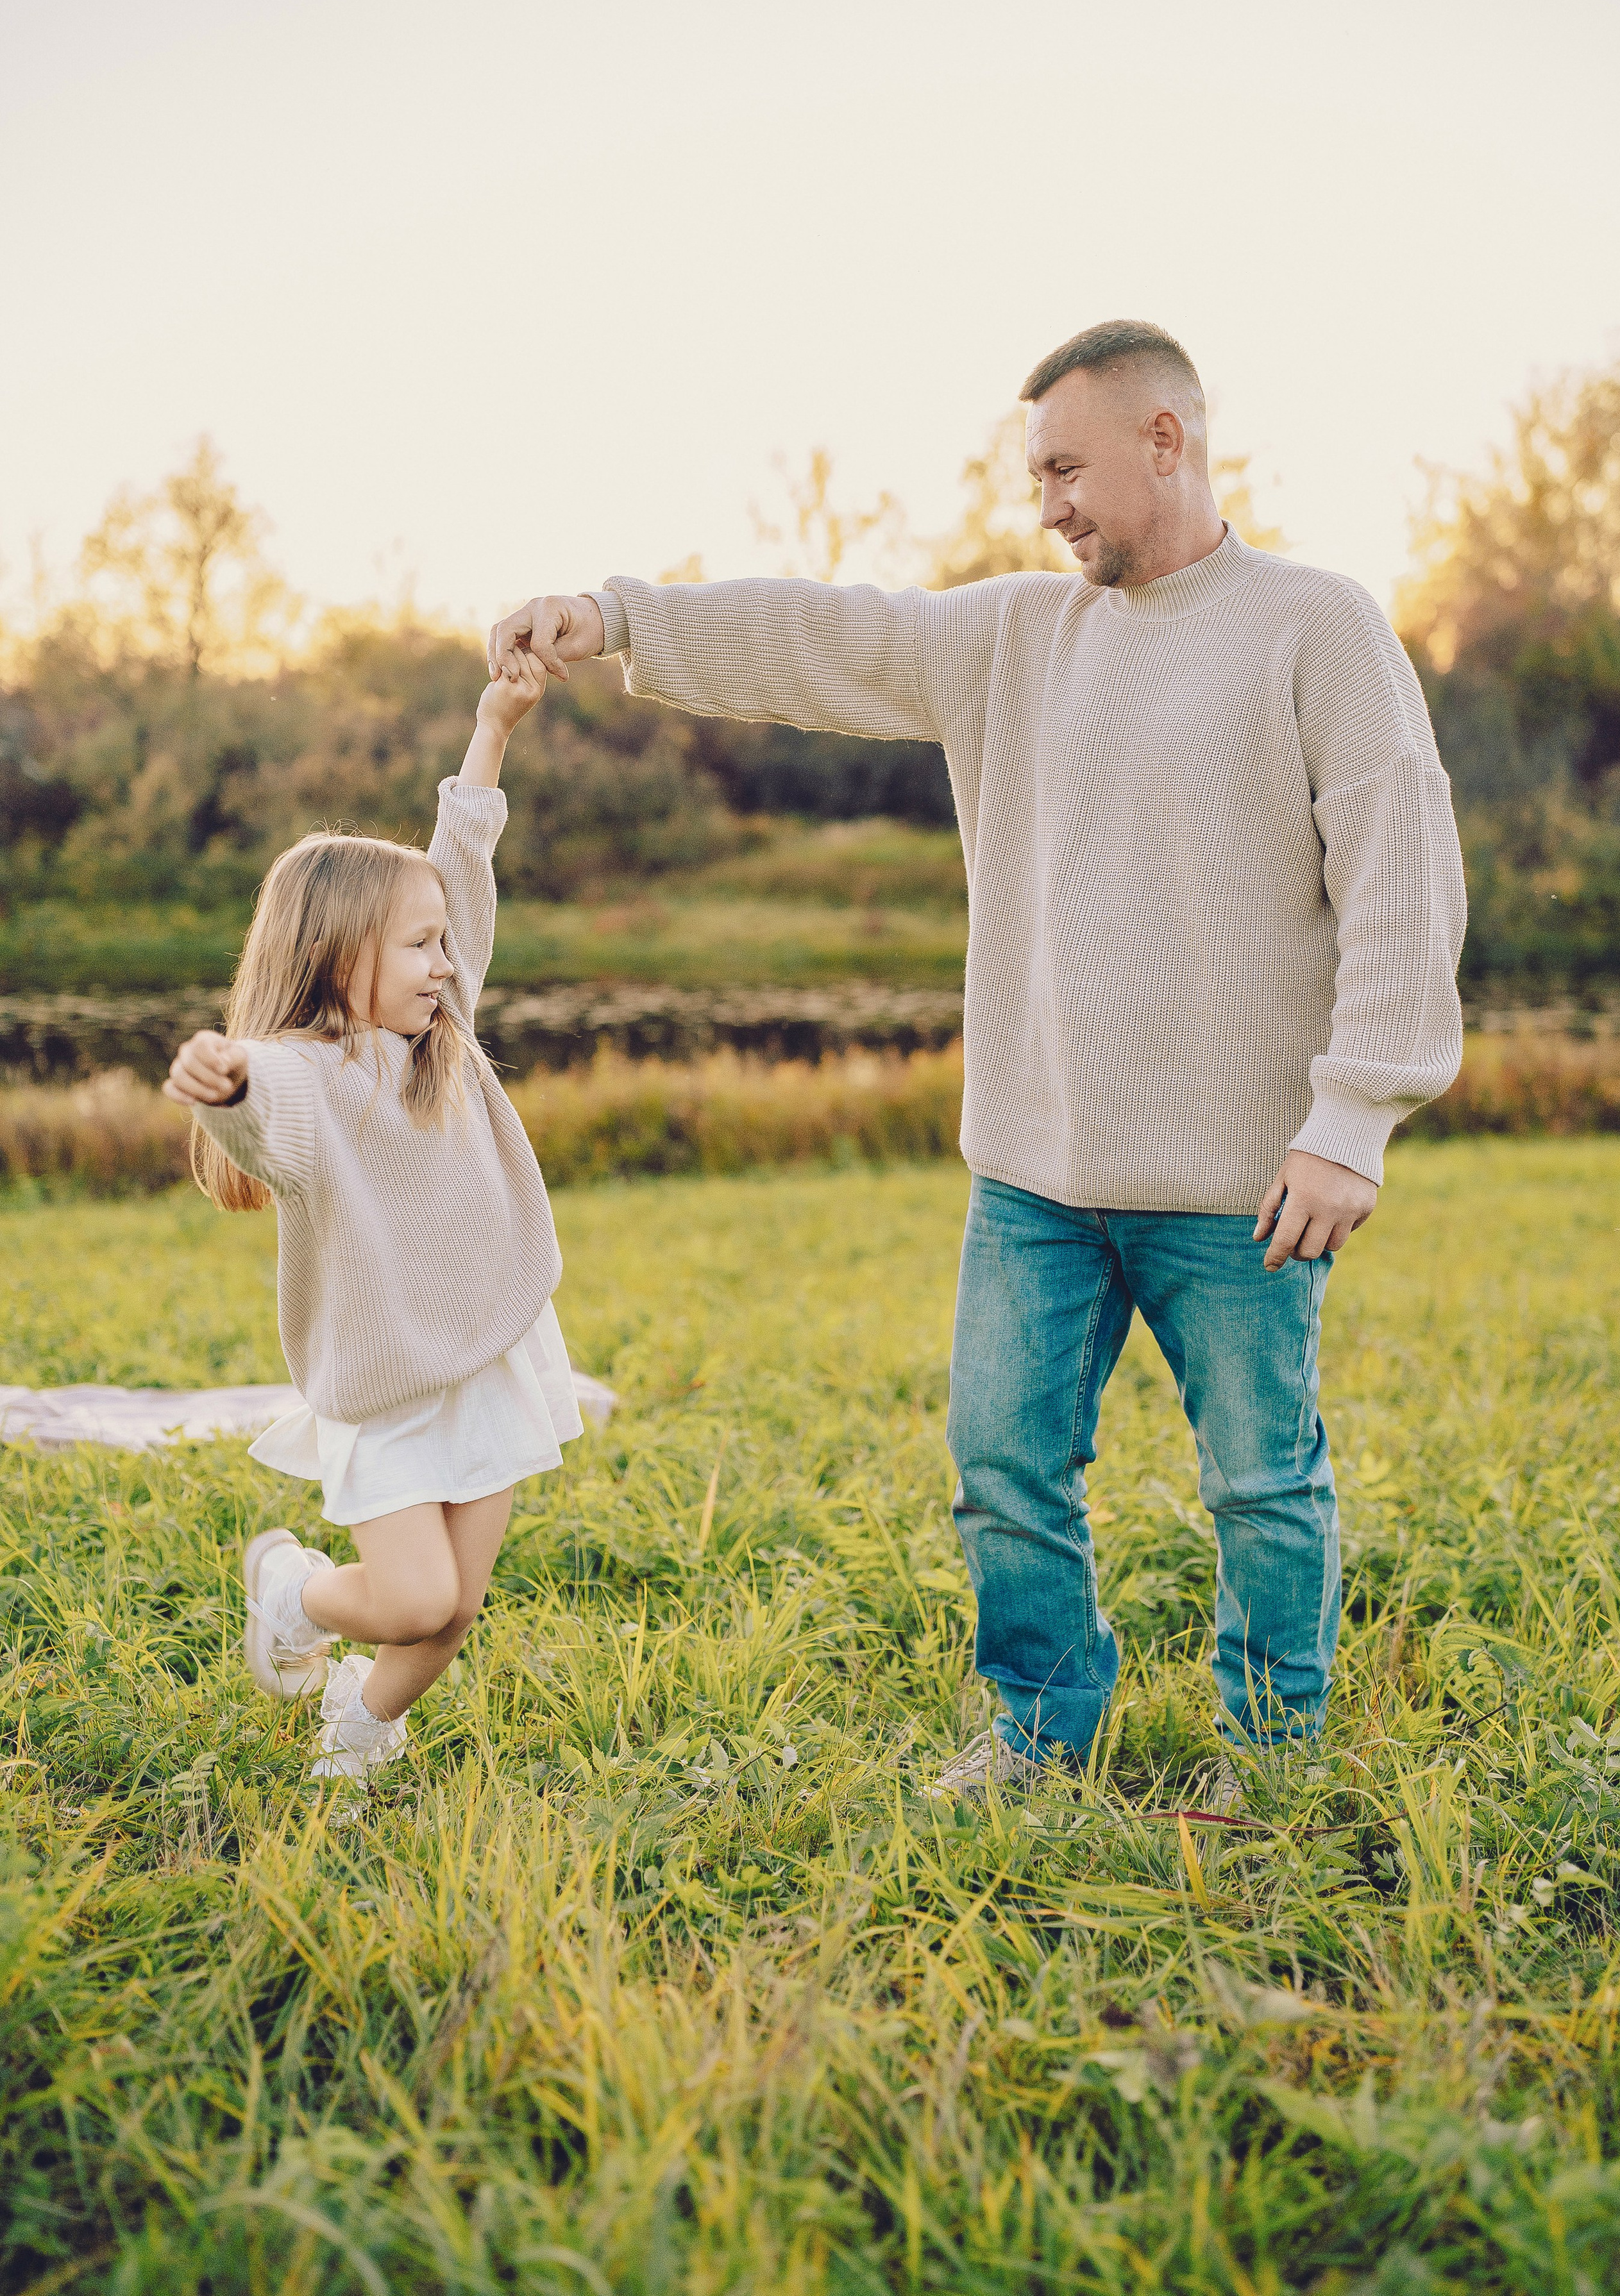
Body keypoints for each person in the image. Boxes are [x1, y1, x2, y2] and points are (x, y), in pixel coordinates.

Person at [490, 319, 1467, 1793]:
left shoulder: (1314, 624)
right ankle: (1037, 1729)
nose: (1048, 503)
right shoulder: (1011, 635)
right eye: (1034, 477)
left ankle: (1271, 1754)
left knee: (1260, 1483)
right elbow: (821, 634)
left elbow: (1400, 873)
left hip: (1242, 1180)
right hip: (1033, 1170)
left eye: (1067, 467)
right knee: (1002, 1472)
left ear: (1164, 437)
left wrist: (1352, 1116)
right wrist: (614, 616)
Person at [162, 644, 577, 1782]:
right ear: (338, 954)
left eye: (448, 943)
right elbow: (270, 1118)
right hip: (388, 1377)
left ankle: (358, 1731)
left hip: (489, 1355)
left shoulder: (447, 1032)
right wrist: (230, 1085)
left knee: (452, 1615)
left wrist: (492, 729)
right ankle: (293, 1589)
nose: (446, 965)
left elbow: (463, 861)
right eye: (419, 945)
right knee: (411, 1594)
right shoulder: (312, 1073)